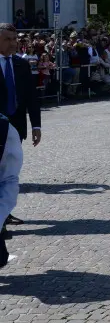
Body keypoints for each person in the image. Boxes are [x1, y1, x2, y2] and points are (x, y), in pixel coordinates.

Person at [0, 23, 42, 267]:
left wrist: (36, 126)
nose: (13, 43)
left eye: (14, 39)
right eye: (7, 39)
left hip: (16, 129)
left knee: (9, 175)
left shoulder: (22, 64)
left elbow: (31, 98)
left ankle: (4, 213)